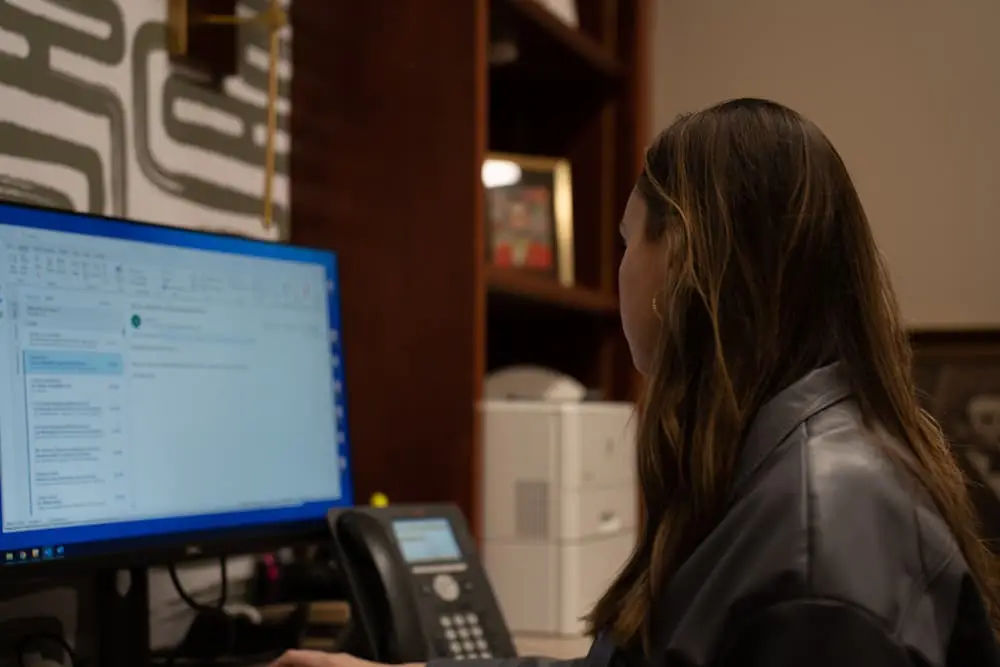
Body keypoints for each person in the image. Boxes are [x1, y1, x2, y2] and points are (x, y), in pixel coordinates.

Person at [271, 98, 1000, 667]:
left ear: (681, 254)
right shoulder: (784, 464)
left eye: (627, 240)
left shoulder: (815, 545)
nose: (623, 266)